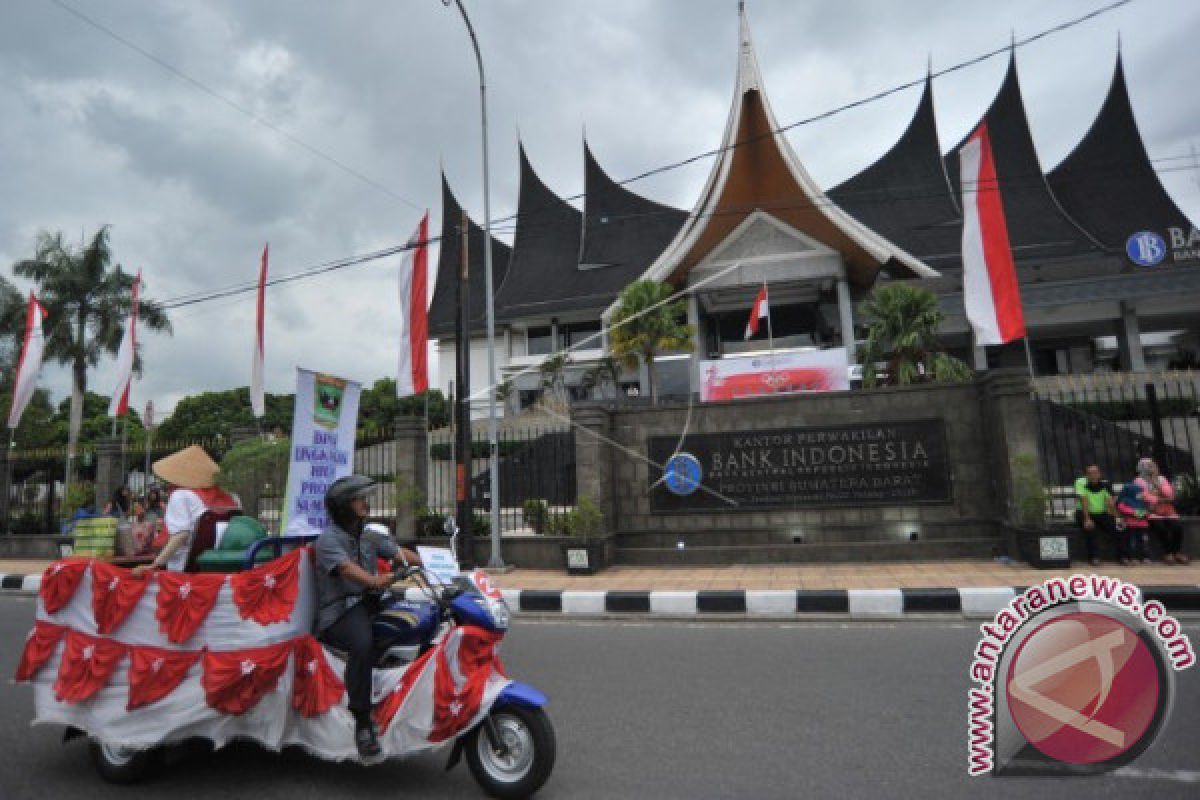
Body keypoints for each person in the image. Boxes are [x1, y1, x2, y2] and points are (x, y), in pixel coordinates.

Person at [314, 475, 421, 760]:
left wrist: (437, 561)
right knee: (363, 644)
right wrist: (374, 581)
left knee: (418, 620)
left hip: (371, 602)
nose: (365, 502)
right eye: (358, 499)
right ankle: (362, 722)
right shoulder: (327, 541)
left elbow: (400, 554)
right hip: (340, 611)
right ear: (343, 506)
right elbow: (348, 570)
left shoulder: (370, 534)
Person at [131, 446, 239, 576]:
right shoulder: (230, 496)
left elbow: (181, 535)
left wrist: (155, 564)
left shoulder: (181, 495)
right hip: (217, 563)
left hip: (182, 566)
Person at [1134, 458, 1189, 565]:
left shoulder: (1162, 479)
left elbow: (1169, 494)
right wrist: (1159, 498)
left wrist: (1156, 483)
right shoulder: (1138, 481)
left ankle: (1177, 552)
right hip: (1150, 511)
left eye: (1154, 466)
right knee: (1161, 527)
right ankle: (1168, 553)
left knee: (1177, 527)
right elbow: (1143, 496)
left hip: (1167, 510)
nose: (1154, 468)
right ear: (1143, 468)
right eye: (1150, 466)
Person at [1074, 465, 1118, 566]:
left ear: (1099, 474)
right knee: (1091, 530)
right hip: (1085, 512)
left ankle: (1124, 556)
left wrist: (1117, 516)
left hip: (1101, 512)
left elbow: (1110, 502)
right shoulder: (1081, 483)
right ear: (1086, 475)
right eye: (1090, 473)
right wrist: (1087, 519)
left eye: (1096, 472)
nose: (1093, 475)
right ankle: (1094, 557)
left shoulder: (1104, 485)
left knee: (1118, 528)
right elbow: (1083, 500)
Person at [1114, 482, 1151, 565]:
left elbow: (1148, 510)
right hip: (1130, 524)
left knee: (1143, 542)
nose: (1139, 493)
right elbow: (1121, 507)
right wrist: (1135, 512)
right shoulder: (1125, 500)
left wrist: (1143, 513)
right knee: (1131, 542)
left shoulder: (1143, 500)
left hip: (1143, 525)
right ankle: (1132, 557)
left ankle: (1144, 557)